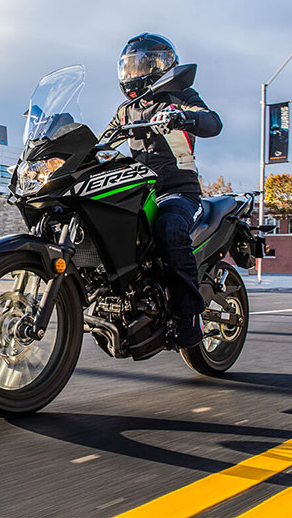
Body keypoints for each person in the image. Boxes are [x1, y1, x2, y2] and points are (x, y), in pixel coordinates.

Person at [99, 33, 223, 349]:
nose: (134, 74)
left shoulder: (180, 95)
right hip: (139, 192)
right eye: (129, 67)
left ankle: (189, 315)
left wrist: (184, 116)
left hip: (178, 191)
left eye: (142, 65)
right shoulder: (126, 110)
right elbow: (103, 142)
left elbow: (213, 123)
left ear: (162, 66)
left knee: (168, 227)